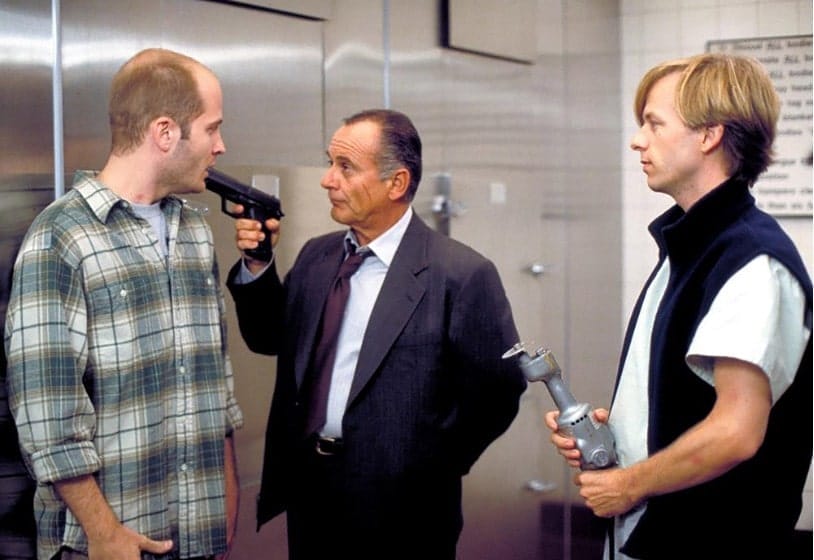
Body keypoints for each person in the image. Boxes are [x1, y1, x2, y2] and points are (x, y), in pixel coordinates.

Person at [545, 53, 812, 559]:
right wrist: (617, 434)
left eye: (653, 123)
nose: (637, 139)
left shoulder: (752, 262)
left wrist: (630, 484)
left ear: (709, 135)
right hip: (652, 535)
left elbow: (736, 431)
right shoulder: (690, 245)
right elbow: (686, 399)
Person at [227, 108, 527, 559]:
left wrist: (427, 464)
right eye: (330, 163)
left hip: (405, 511)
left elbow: (499, 392)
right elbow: (271, 339)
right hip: (313, 495)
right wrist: (258, 266)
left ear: (397, 183)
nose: (328, 179)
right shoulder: (316, 256)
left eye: (345, 167)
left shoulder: (460, 274)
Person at [4, 48, 243, 560]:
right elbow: (48, 413)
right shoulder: (62, 237)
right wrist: (104, 532)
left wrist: (225, 496)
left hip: (196, 533)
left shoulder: (194, 231)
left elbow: (212, 379)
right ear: (164, 133)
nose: (220, 146)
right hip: (107, 544)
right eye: (211, 129)